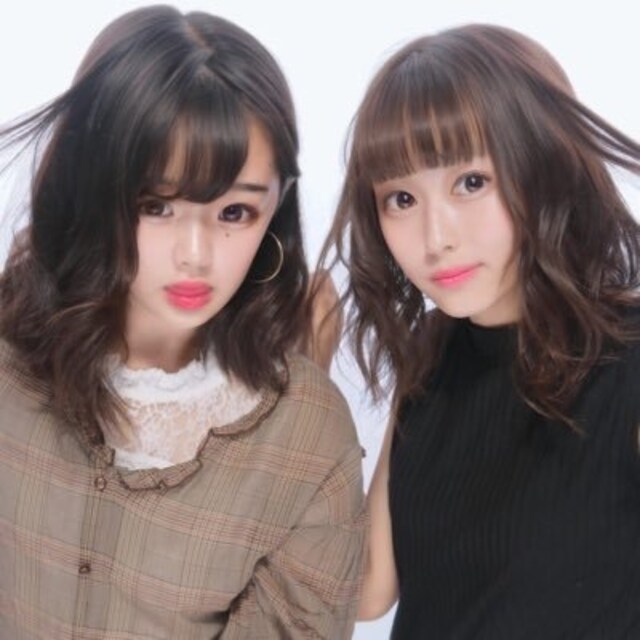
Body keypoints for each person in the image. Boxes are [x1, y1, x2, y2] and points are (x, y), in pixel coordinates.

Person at [0, 6, 366, 639]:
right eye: (156, 205)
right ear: (90, 186)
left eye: (234, 213)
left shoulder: (309, 437)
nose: (196, 255)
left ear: (276, 209)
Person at [318, 23, 640, 638]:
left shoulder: (628, 360)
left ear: (544, 165)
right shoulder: (433, 351)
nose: (435, 237)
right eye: (401, 199)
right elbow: (362, 588)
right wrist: (303, 392)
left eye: (471, 183)